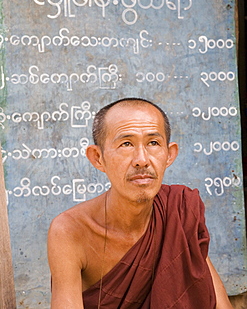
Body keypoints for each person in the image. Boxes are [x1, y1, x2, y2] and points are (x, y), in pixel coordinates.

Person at [48, 97, 233, 309]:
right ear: (98, 158)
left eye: (153, 143)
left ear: (169, 155)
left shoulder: (179, 213)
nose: (142, 159)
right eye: (126, 144)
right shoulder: (70, 230)